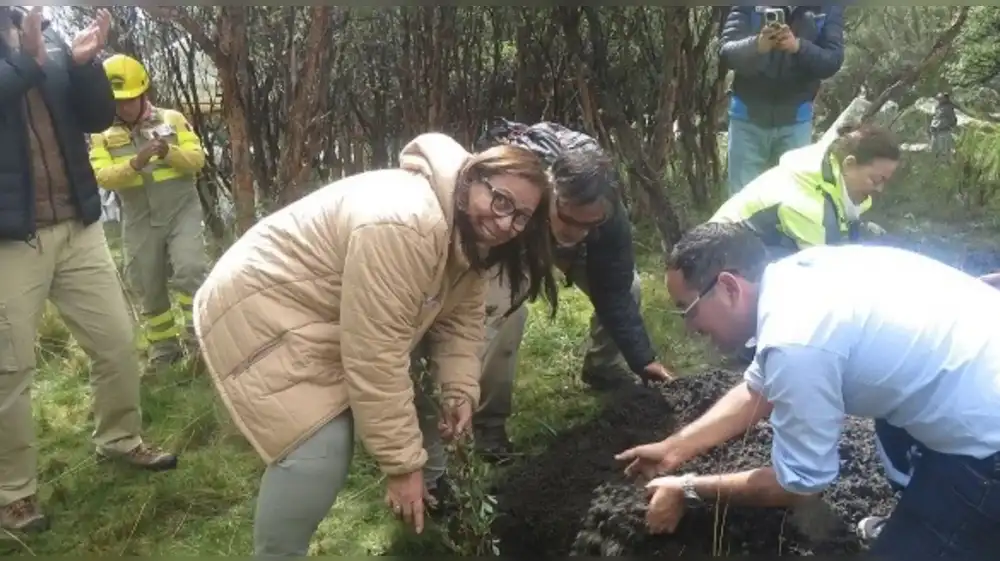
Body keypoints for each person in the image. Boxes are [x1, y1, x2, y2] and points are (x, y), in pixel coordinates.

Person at [192, 132, 558, 557]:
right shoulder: (408, 225)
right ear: (472, 180)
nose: (505, 222)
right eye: (500, 200)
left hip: (329, 307)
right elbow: (376, 356)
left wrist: (459, 389)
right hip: (264, 307)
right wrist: (403, 466)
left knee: (366, 411)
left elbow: (461, 318)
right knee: (317, 449)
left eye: (520, 217)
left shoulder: (468, 235)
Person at [616, 221, 1000, 560]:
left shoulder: (796, 342)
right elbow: (759, 386)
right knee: (894, 424)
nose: (689, 327)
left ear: (730, 287)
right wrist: (673, 450)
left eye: (688, 309)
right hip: (973, 374)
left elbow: (800, 484)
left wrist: (687, 488)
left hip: (988, 442)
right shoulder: (793, 278)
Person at [0, 7, 177, 533]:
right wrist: (28, 62)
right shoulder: (33, 48)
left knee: (118, 342)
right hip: (11, 240)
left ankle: (119, 440)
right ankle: (13, 493)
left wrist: (83, 66)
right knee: (10, 371)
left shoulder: (47, 36)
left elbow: (97, 117)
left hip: (78, 224)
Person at [467, 119, 674, 461]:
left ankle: (603, 368)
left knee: (631, 286)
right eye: (571, 220)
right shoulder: (521, 193)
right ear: (552, 195)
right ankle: (488, 422)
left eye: (590, 224)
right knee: (507, 311)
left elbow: (613, 288)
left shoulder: (606, 219)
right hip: (516, 239)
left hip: (561, 242)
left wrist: (644, 359)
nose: (578, 231)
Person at [89, 53, 209, 375]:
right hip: (139, 218)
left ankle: (202, 344)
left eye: (130, 99)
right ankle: (164, 354)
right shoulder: (101, 134)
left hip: (181, 211)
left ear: (143, 92)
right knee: (147, 285)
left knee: (191, 270)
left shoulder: (171, 118)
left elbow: (198, 159)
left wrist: (169, 153)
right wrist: (135, 163)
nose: (125, 106)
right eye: (118, 101)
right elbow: (102, 175)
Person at [711, 123, 899, 261]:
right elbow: (824, 273)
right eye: (876, 180)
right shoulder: (809, 203)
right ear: (849, 164)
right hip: (717, 262)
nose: (879, 189)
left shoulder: (833, 172)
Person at [720, 6, 846, 195]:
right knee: (741, 199)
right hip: (747, 118)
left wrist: (799, 47)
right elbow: (727, 53)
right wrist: (756, 46)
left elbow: (832, 61)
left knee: (793, 198)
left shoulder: (827, 7)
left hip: (796, 120)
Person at [929, 92, 958, 160]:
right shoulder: (938, 107)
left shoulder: (948, 108)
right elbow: (935, 118)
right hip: (936, 131)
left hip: (944, 131)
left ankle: (945, 161)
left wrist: (950, 126)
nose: (939, 100)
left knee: (944, 150)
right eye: (939, 99)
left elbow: (952, 119)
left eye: (941, 99)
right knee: (935, 150)